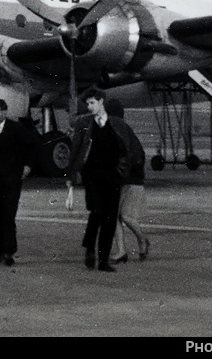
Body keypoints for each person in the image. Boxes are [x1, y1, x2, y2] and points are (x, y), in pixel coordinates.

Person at [64, 87, 128, 272]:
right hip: (91, 175)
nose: (90, 107)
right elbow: (76, 149)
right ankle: (90, 248)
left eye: (92, 103)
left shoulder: (115, 123)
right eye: (88, 104)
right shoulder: (84, 123)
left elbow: (125, 148)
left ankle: (103, 260)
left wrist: (122, 169)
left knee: (109, 218)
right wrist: (70, 175)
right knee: (97, 212)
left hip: (112, 175)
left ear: (101, 102)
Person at [0, 98, 38, 266]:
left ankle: (9, 251)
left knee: (8, 215)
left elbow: (34, 144)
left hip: (11, 180)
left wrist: (28, 166)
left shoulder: (16, 129)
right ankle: (0, 251)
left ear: (4, 112)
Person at [106, 98, 150, 264]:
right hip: (134, 175)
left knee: (114, 215)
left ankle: (122, 250)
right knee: (125, 215)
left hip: (123, 176)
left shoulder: (113, 124)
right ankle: (140, 241)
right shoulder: (125, 126)